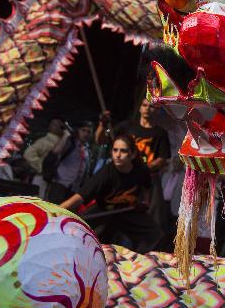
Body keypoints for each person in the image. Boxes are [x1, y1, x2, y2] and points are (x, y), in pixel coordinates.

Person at [60, 135, 169, 253]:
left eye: (123, 151)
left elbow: (147, 187)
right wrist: (55, 211)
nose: (117, 155)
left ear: (132, 154)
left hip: (128, 211)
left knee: (156, 236)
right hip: (103, 211)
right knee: (77, 232)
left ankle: (142, 263)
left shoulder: (141, 170)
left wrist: (143, 202)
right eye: (115, 150)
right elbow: (78, 198)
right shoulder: (105, 174)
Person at [97, 100, 171, 241]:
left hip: (147, 181)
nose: (147, 108)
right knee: (109, 211)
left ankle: (148, 251)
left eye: (151, 106)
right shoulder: (127, 126)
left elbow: (162, 160)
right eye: (144, 105)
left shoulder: (160, 133)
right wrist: (102, 125)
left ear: (156, 110)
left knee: (153, 217)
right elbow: (100, 141)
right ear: (139, 108)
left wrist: (140, 169)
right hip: (121, 178)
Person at [43, 121, 94, 205]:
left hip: (74, 189)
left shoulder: (87, 149)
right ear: (78, 131)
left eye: (89, 132)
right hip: (59, 185)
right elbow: (55, 151)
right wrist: (65, 136)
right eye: (83, 130)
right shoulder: (71, 142)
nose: (86, 134)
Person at [23, 116, 64, 198]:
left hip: (55, 180)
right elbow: (28, 154)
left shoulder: (63, 141)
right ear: (50, 127)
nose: (57, 127)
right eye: (54, 124)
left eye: (60, 125)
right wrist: (42, 167)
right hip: (42, 178)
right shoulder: (44, 141)